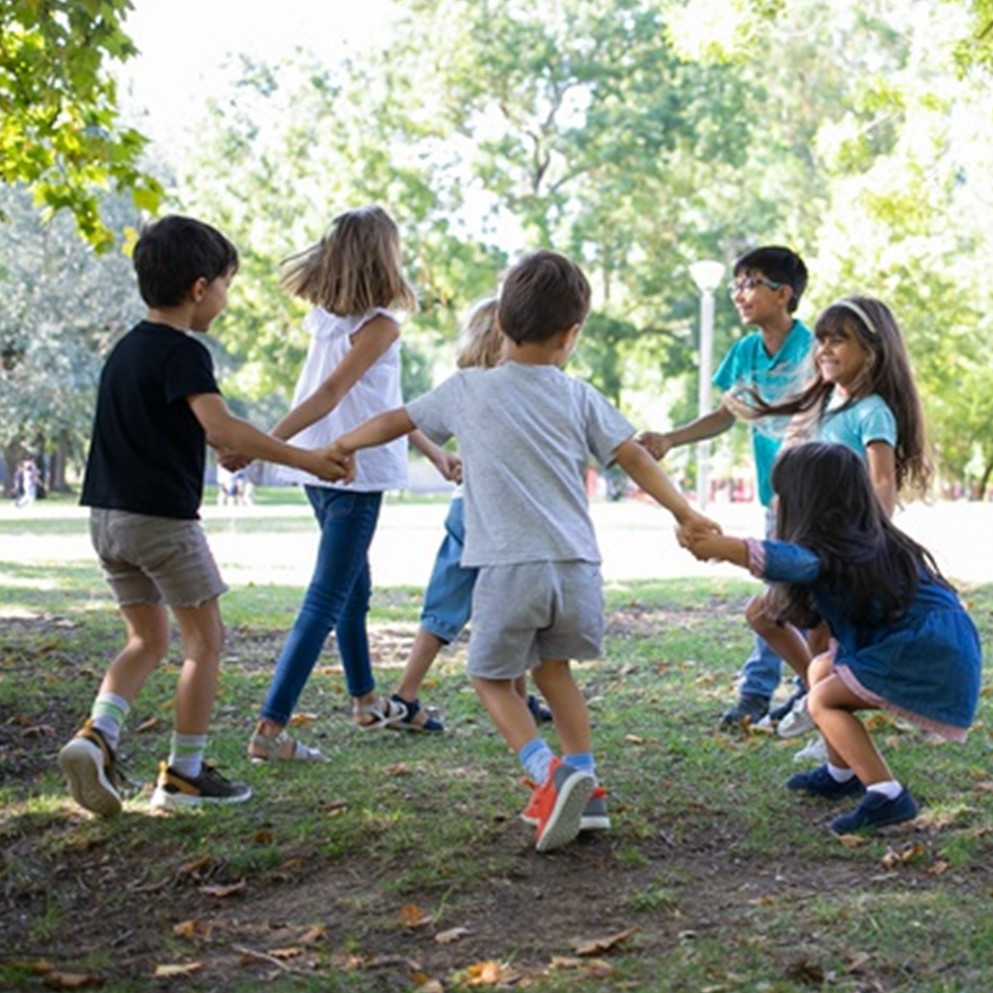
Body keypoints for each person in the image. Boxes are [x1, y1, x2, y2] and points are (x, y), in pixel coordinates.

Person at [329, 249, 720, 852]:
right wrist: (686, 512)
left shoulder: (467, 390)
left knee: (488, 675)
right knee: (554, 672)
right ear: (572, 335)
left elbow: (397, 420)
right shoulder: (578, 395)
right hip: (577, 569)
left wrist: (345, 442)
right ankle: (586, 787)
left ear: (501, 325)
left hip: (509, 567)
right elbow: (635, 455)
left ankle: (548, 774)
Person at [58, 215, 352, 816]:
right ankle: (185, 775)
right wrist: (307, 458)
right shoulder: (184, 352)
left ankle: (98, 736)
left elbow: (182, 431)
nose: (224, 296)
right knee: (205, 642)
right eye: (224, 284)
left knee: (145, 639)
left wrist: (226, 446)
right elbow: (220, 426)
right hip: (161, 524)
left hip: (107, 521)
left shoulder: (124, 352)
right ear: (199, 289)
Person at [246, 205, 458, 763]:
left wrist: (434, 453)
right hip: (349, 472)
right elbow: (329, 396)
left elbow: (384, 404)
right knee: (328, 596)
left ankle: (366, 701)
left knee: (354, 588)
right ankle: (269, 730)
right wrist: (259, 442)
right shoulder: (380, 324)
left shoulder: (327, 318)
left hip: (321, 468)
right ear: (383, 256)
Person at [680, 442, 981, 835]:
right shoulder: (861, 542)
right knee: (821, 670)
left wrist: (724, 549)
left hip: (925, 650)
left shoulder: (837, 551)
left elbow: (793, 560)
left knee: (823, 699)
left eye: (782, 495)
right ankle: (842, 773)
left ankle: (887, 795)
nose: (775, 504)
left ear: (808, 502)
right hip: (930, 645)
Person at [738, 296, 931, 751]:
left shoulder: (873, 411)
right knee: (769, 618)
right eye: (821, 339)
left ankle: (826, 719)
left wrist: (873, 543)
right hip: (812, 544)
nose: (824, 348)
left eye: (838, 339)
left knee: (818, 637)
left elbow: (882, 483)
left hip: (845, 551)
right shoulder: (824, 404)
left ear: (872, 349)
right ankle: (817, 700)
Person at [639, 245, 811, 728]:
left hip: (814, 498)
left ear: (784, 294)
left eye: (750, 283)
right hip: (773, 498)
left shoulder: (814, 348)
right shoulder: (745, 353)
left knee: (784, 596)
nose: (739, 294)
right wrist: (670, 439)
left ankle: (765, 692)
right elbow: (723, 416)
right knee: (781, 593)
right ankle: (800, 689)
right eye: (736, 284)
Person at [389, 297, 550, 733]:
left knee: (447, 605)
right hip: (498, 516)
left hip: (464, 508)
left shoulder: (464, 385)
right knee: (512, 601)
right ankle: (510, 697)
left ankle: (407, 694)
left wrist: (446, 456)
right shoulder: (515, 387)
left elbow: (408, 418)